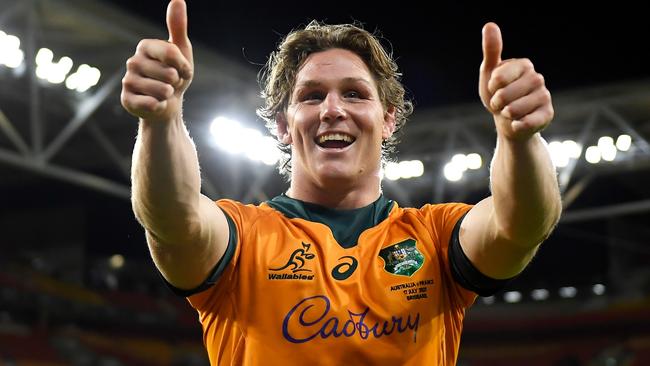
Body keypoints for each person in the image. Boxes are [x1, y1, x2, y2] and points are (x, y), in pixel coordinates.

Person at [120, 0, 562, 365]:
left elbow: (520, 224)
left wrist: (519, 138)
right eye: (311, 96)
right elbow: (171, 217)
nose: (333, 109)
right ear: (282, 126)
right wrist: (161, 121)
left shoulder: (434, 238)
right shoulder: (243, 239)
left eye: (354, 93)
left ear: (388, 119)